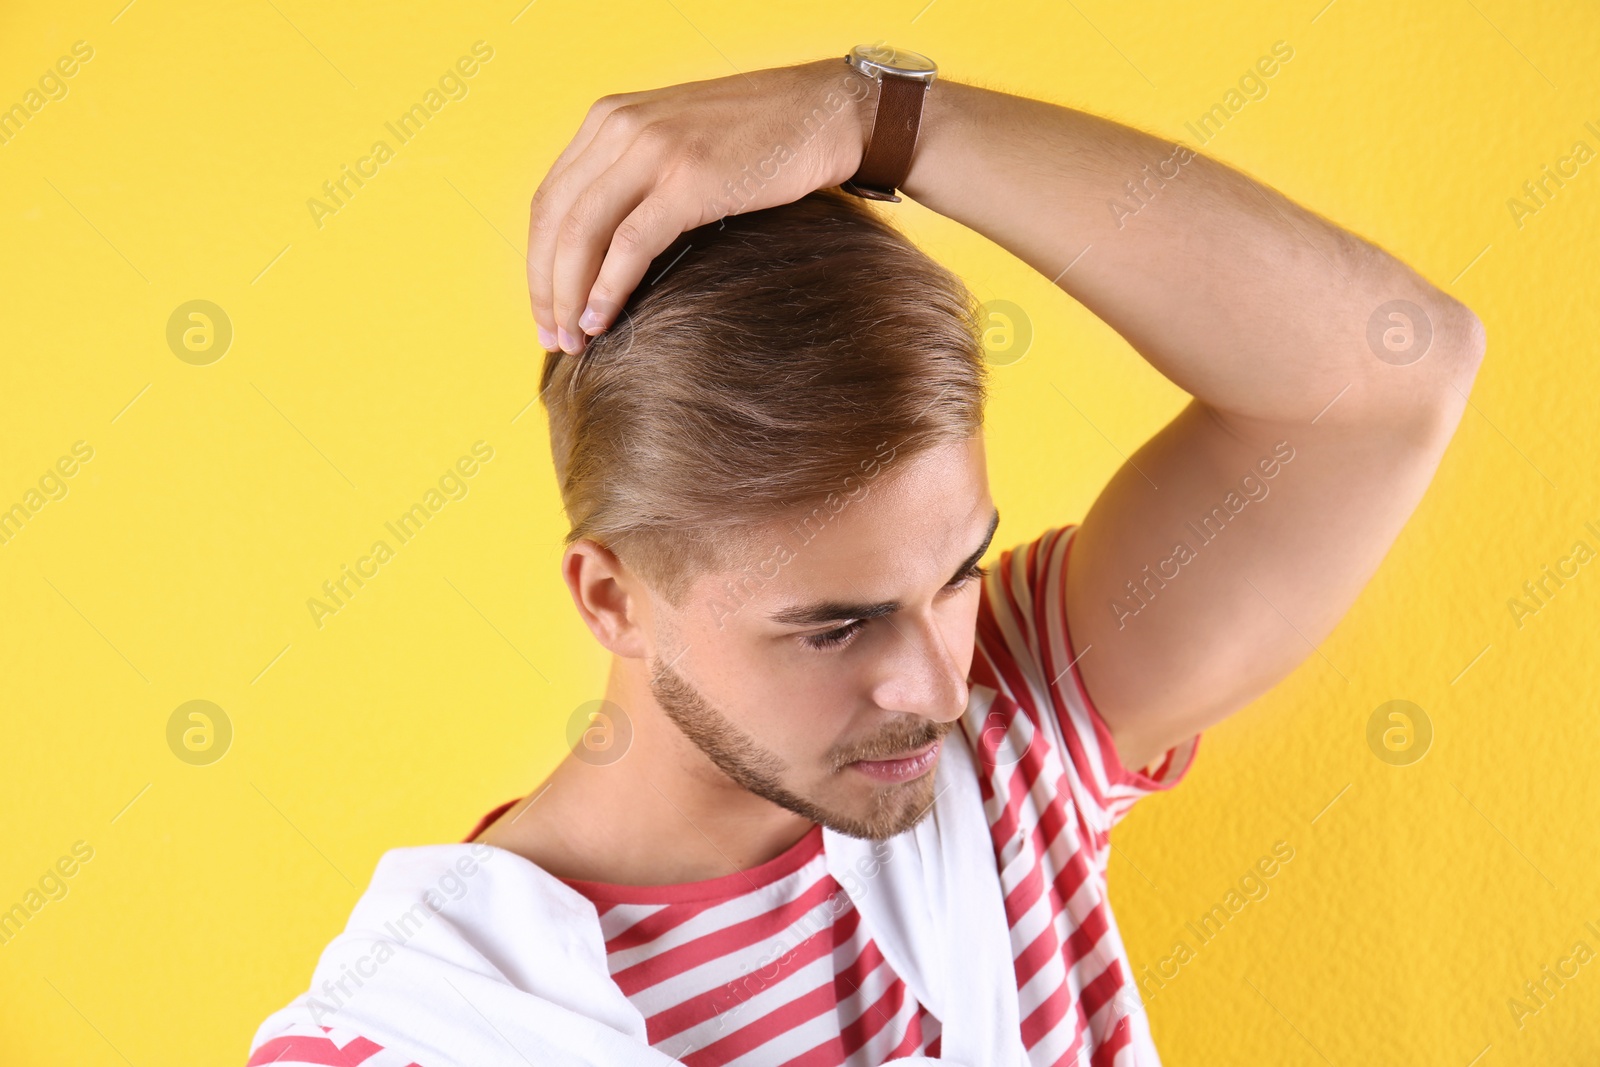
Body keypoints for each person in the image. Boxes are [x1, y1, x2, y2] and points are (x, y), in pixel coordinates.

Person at [246, 48, 1485, 1067]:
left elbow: (1391, 372)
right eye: (834, 624)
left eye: (952, 575)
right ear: (614, 596)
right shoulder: (400, 1037)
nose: (935, 686)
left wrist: (880, 117)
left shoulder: (1016, 735)